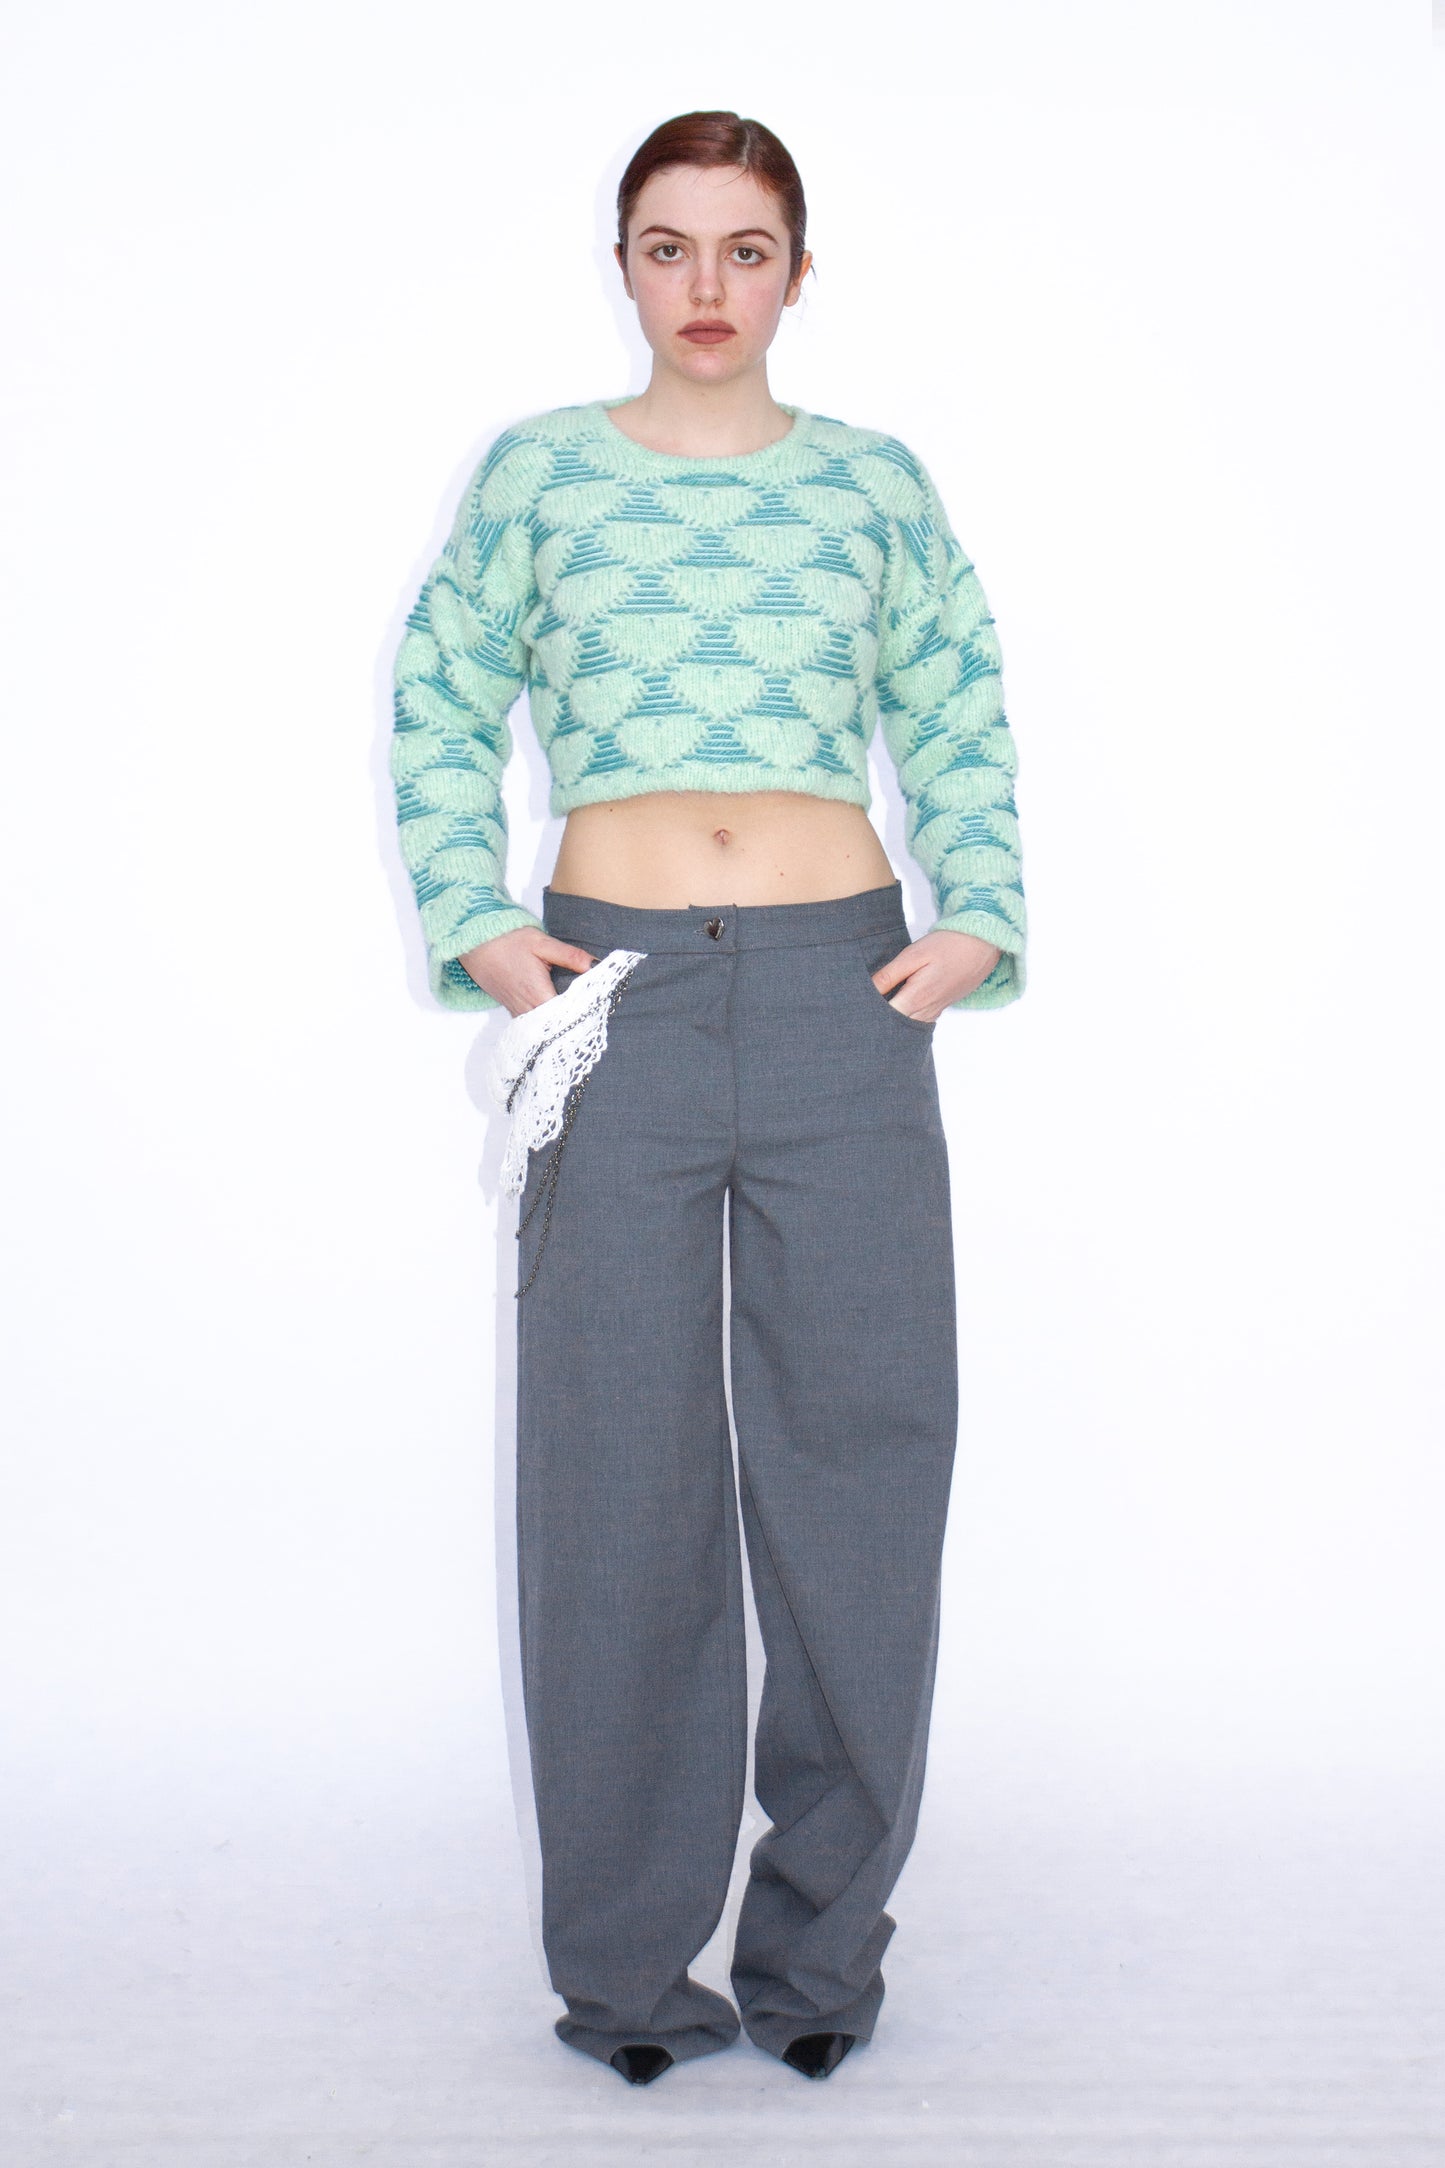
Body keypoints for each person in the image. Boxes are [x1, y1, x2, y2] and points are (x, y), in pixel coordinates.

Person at [390, 109, 1027, 2088]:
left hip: (844, 994)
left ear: (798, 273)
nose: (705, 288)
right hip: (618, 996)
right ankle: (627, 1974)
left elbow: (955, 695)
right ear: (622, 265)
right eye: (667, 247)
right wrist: (477, 917)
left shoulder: (872, 483)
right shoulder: (540, 473)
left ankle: (822, 1957)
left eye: (745, 250)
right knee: (617, 1482)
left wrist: (980, 910)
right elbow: (439, 691)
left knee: (861, 1470)